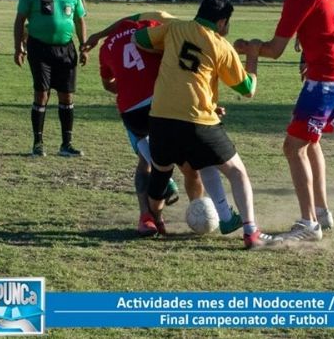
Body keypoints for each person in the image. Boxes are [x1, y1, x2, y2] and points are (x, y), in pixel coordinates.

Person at [234, 0, 334, 242]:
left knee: (293, 147)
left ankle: (309, 224)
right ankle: (321, 212)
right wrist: (308, 49)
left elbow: (275, 50)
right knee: (310, 142)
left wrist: (249, 48)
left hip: (326, 79)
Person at [132, 0, 277, 249]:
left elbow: (139, 39)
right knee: (237, 172)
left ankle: (153, 219)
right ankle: (251, 232)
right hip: (198, 121)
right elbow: (248, 89)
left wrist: (164, 46)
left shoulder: (175, 28)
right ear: (221, 22)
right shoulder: (221, 45)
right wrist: (253, 57)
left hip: (160, 119)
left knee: (161, 173)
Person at [80, 12, 242, 237]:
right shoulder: (153, 27)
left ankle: (148, 218)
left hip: (131, 112)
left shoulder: (107, 47)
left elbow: (108, 84)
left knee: (148, 162)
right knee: (190, 165)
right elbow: (184, 66)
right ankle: (197, 207)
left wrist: (130, 87)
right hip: (163, 105)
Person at [13, 0, 87, 157]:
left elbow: (80, 20)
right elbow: (19, 20)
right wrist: (18, 47)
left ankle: (66, 145)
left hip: (66, 49)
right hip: (39, 48)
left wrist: (83, 46)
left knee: (67, 96)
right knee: (42, 94)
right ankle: (38, 144)